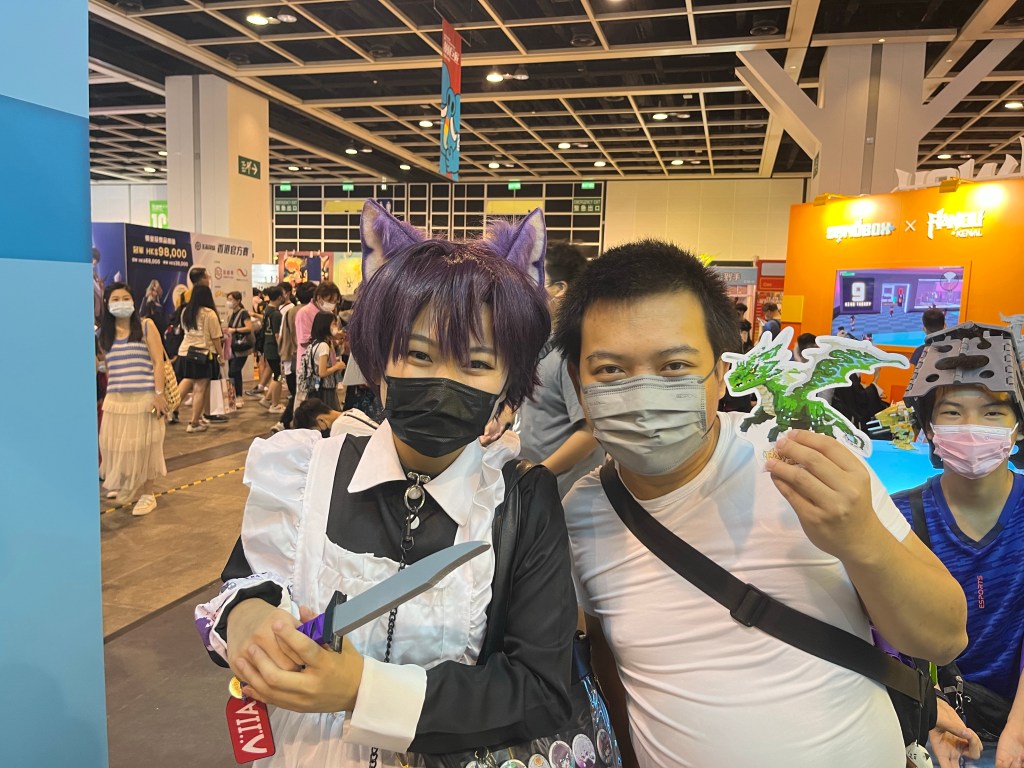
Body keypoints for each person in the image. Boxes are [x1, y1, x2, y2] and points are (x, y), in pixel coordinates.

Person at [553, 239, 967, 767]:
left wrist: (861, 539)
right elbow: (610, 669)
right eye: (611, 370)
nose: (644, 393)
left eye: (675, 365)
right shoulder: (582, 515)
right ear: (578, 382)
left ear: (720, 371)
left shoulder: (805, 461)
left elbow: (943, 638)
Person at [194, 201, 575, 766]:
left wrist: (363, 690)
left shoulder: (520, 500)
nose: (443, 380)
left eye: (476, 363)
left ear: (508, 382)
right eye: (418, 354)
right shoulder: (306, 472)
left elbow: (542, 689)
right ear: (378, 361)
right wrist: (248, 620)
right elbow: (245, 583)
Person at [893, 323, 1024, 768]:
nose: (972, 428)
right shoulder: (897, 518)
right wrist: (929, 706)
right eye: (952, 412)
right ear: (929, 428)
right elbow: (887, 630)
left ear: (1018, 427)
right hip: (931, 724)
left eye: (993, 413)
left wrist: (1018, 727)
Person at [517, 242, 604, 497]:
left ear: (560, 290)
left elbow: (590, 434)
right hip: (536, 488)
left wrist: (538, 473)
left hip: (561, 494)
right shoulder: (541, 348)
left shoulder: (570, 355)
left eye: (535, 282)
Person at [97, 283, 167, 516]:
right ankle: (126, 483)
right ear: (107, 304)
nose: (121, 303)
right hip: (116, 400)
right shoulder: (103, 334)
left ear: (134, 301)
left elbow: (158, 362)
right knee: (118, 445)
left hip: (144, 398)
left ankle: (148, 494)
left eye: (125, 298)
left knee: (146, 447)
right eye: (115, 299)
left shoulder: (146, 326)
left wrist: (158, 394)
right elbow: (108, 366)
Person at [178, 284, 223, 434]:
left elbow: (184, 330)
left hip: (185, 352)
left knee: (187, 381)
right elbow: (216, 338)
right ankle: (194, 423)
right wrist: (221, 355)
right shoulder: (209, 313)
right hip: (202, 355)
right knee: (199, 388)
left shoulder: (185, 311)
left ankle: (170, 411)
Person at [277, 281, 315, 433]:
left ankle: (286, 422)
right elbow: (298, 337)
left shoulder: (291, 310)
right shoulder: (305, 312)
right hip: (298, 356)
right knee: (298, 393)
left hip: (288, 355)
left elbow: (283, 334)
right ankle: (286, 422)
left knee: (296, 393)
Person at [298, 311, 346, 410]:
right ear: (325, 325)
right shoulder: (324, 346)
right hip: (325, 389)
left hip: (317, 388)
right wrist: (337, 366)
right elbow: (322, 372)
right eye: (334, 324)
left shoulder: (316, 342)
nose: (336, 327)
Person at [256, 285, 286, 414]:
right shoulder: (276, 314)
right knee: (278, 376)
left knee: (276, 374)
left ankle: (267, 399)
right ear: (279, 297)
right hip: (274, 348)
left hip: (267, 346)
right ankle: (275, 404)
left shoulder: (267, 310)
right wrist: (282, 350)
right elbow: (277, 335)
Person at [226, 290, 255, 404]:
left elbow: (249, 327)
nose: (229, 302)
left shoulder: (243, 313)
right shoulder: (231, 315)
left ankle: (238, 396)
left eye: (231, 299)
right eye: (228, 299)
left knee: (234, 371)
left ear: (238, 301)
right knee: (234, 372)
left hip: (242, 347)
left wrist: (235, 330)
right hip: (232, 348)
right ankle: (234, 395)